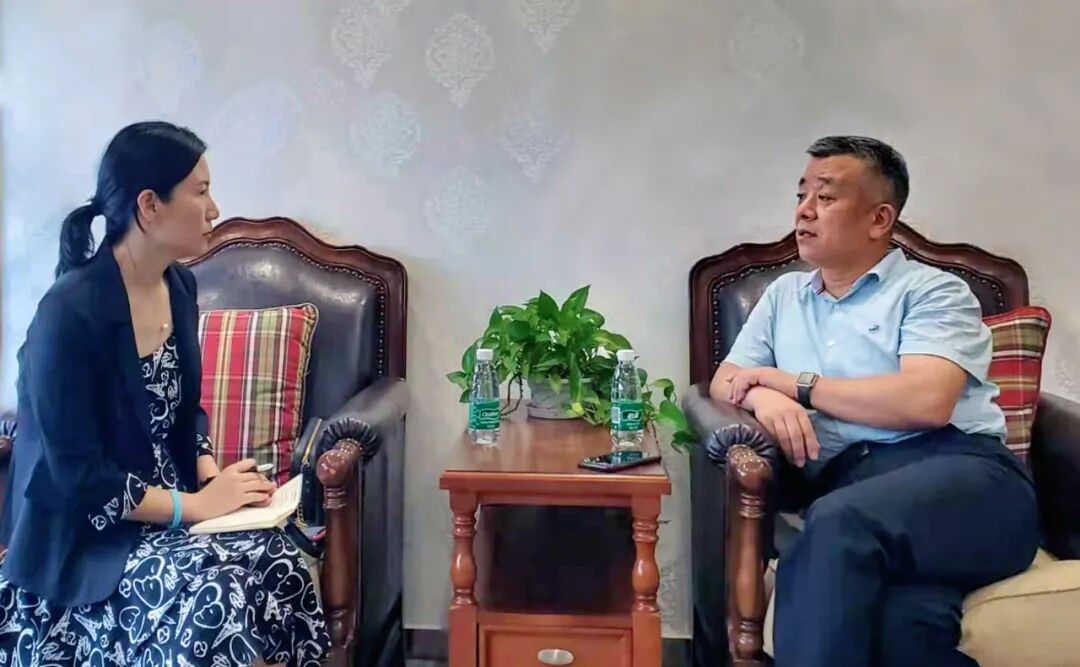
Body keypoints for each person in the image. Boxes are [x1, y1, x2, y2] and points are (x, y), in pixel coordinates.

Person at [0, 121, 330, 666]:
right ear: (149, 206)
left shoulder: (178, 286)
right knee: (218, 592)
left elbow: (184, 411)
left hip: (167, 514)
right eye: (200, 192)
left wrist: (213, 478)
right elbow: (79, 477)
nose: (214, 209)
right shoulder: (67, 314)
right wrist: (195, 505)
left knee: (283, 558)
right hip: (88, 546)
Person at [710, 136, 1038, 667]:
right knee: (903, 628)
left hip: (967, 482)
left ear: (880, 218)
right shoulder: (783, 297)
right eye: (801, 195)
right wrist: (765, 398)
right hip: (861, 488)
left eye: (826, 197)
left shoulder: (932, 291)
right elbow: (727, 379)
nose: (804, 210)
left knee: (837, 524)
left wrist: (794, 384)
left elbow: (926, 401)